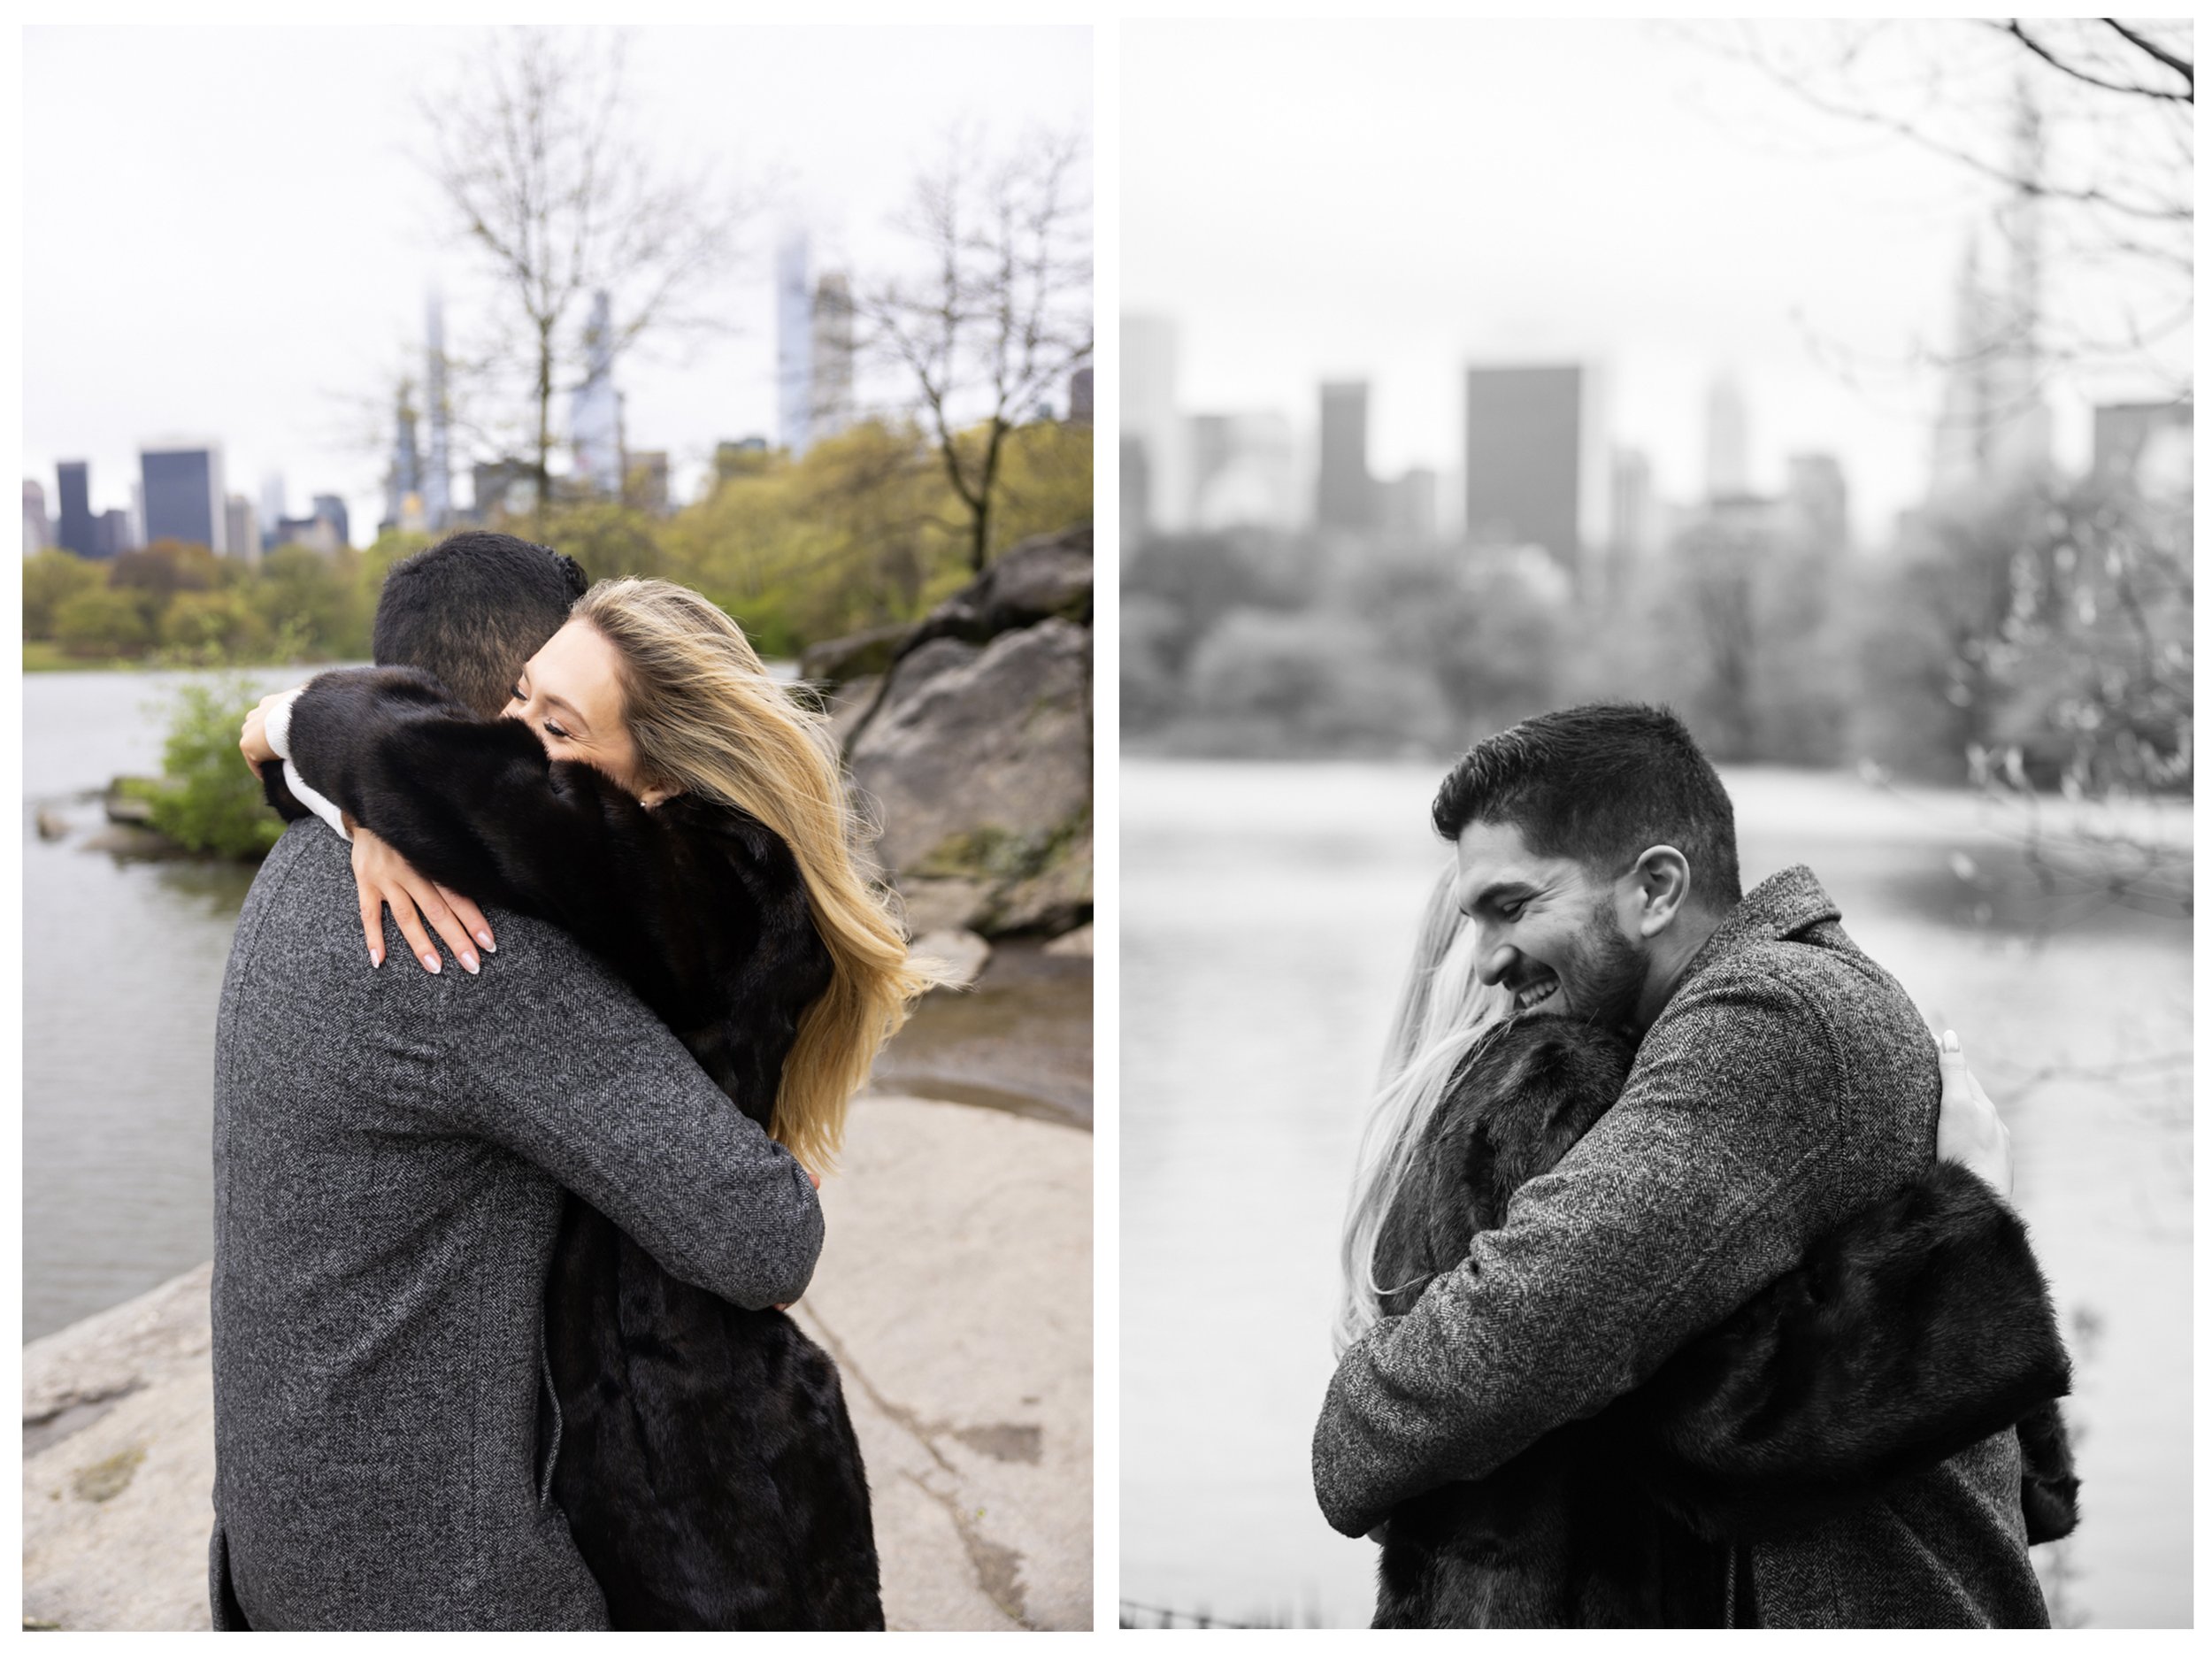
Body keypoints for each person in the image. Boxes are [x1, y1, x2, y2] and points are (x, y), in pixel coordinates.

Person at [238, 572, 936, 1628]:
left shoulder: (636, 893)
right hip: (442, 1570)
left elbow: (761, 1237)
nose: (506, 742)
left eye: (552, 722)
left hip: (650, 1470)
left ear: (658, 784)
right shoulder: (479, 918)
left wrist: (306, 738)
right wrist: (344, 786)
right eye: (517, 696)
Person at [1311, 702, 2056, 1627]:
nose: (1491, 955)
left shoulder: (1774, 1011)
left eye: (1514, 904)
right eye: (1475, 916)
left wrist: (1351, 1423)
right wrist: (1970, 1228)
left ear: (1656, 886)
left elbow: (1537, 1314)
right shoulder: (1741, 1008)